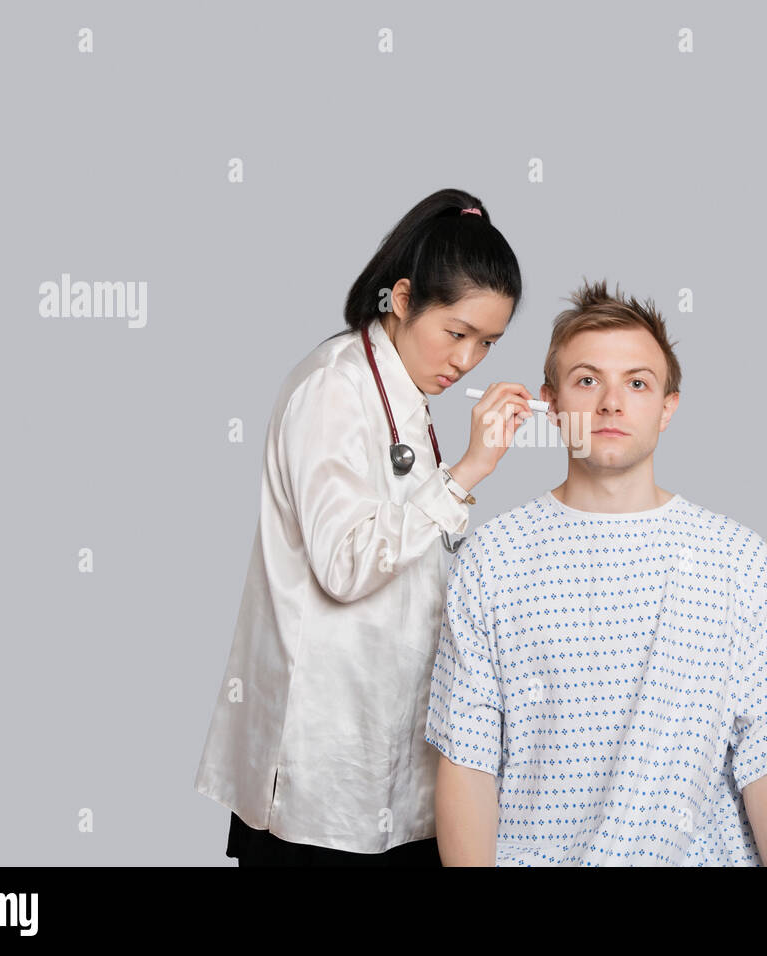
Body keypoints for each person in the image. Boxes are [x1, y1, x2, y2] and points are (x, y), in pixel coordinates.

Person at [426, 278, 767, 866]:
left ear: (667, 408)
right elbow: (467, 764)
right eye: (587, 380)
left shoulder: (734, 558)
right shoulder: (492, 558)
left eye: (638, 383)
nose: (611, 403)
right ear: (550, 402)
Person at [194, 188, 537, 866]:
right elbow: (346, 564)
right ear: (403, 299)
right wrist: (465, 474)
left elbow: (415, 560)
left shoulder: (404, 395)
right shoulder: (333, 387)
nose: (467, 361)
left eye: (488, 343)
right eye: (457, 333)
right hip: (318, 782)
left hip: (393, 765)